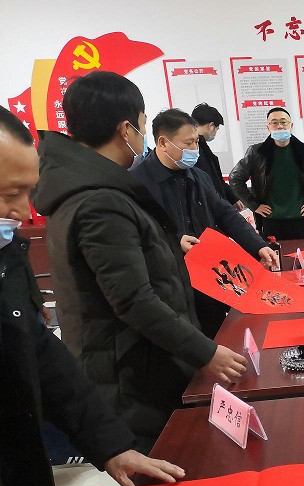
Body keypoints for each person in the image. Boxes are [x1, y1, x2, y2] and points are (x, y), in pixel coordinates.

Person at [0, 104, 186, 486]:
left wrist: (109, 444)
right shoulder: (98, 202)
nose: (21, 212)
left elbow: (40, 355)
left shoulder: (5, 255)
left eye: (26, 192)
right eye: (9, 194)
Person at [33, 72, 248, 452]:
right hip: (132, 376)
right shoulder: (99, 201)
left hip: (141, 362)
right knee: (167, 466)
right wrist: (205, 351)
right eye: (143, 123)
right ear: (125, 129)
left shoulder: (95, 188)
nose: (143, 133)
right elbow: (133, 299)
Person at [130, 108, 276, 337]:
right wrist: (173, 242)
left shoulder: (198, 176)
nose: (194, 149)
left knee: (219, 334)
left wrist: (258, 245)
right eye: (187, 143)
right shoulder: (137, 183)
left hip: (209, 277)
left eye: (196, 142)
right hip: (169, 285)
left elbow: (225, 213)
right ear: (163, 142)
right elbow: (136, 234)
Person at [229, 107, 304, 241]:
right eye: (274, 123)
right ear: (268, 127)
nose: (279, 126)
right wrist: (255, 206)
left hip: (303, 220)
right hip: (271, 221)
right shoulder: (257, 152)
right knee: (275, 254)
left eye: (283, 122)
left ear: (291, 126)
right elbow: (235, 178)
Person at [190, 102, 243, 210]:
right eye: (216, 129)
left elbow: (217, 180)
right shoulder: (197, 149)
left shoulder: (201, 146)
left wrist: (232, 198)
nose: (215, 133)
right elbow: (211, 183)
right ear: (211, 126)